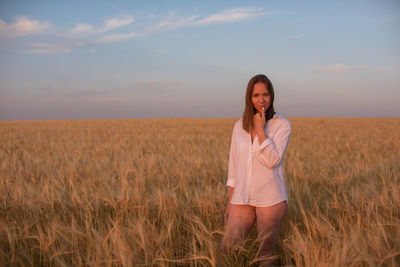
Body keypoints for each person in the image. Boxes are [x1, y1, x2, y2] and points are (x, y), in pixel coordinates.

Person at [220, 74, 291, 266]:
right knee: (226, 250)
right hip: (242, 197)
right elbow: (234, 168)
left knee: (265, 254)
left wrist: (260, 130)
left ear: (272, 96)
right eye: (256, 95)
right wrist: (230, 202)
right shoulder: (239, 127)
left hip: (270, 198)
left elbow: (272, 160)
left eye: (265, 95)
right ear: (249, 98)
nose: (261, 100)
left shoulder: (282, 125)